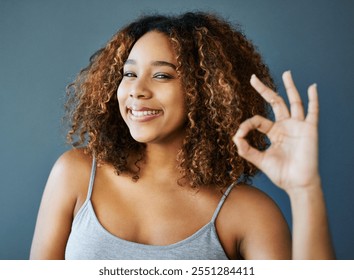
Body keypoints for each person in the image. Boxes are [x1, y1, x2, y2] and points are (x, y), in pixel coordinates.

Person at [30, 12, 335, 260]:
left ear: (205, 92)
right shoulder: (76, 173)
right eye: (129, 73)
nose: (137, 89)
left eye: (162, 75)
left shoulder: (248, 213)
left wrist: (304, 189)